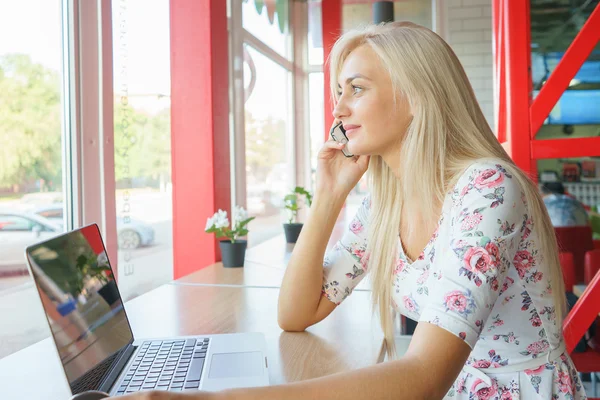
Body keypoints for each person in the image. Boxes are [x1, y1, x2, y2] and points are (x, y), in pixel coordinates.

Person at [116, 22, 585, 400]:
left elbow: (423, 379)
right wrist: (328, 196)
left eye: (356, 89)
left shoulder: (487, 189)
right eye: (339, 91)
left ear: (416, 96)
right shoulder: (387, 201)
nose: (338, 108)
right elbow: (295, 313)